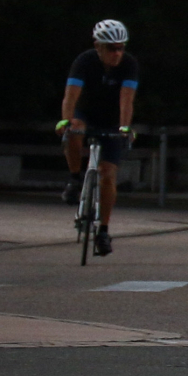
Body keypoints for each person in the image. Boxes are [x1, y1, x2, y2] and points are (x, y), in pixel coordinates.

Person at [60, 19, 137, 254]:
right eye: (111, 48)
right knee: (74, 128)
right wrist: (65, 121)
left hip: (112, 119)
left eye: (120, 48)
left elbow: (127, 100)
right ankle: (75, 178)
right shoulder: (84, 61)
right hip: (86, 113)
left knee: (108, 174)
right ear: (98, 46)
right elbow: (70, 96)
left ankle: (103, 231)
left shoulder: (129, 64)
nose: (117, 53)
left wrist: (124, 128)